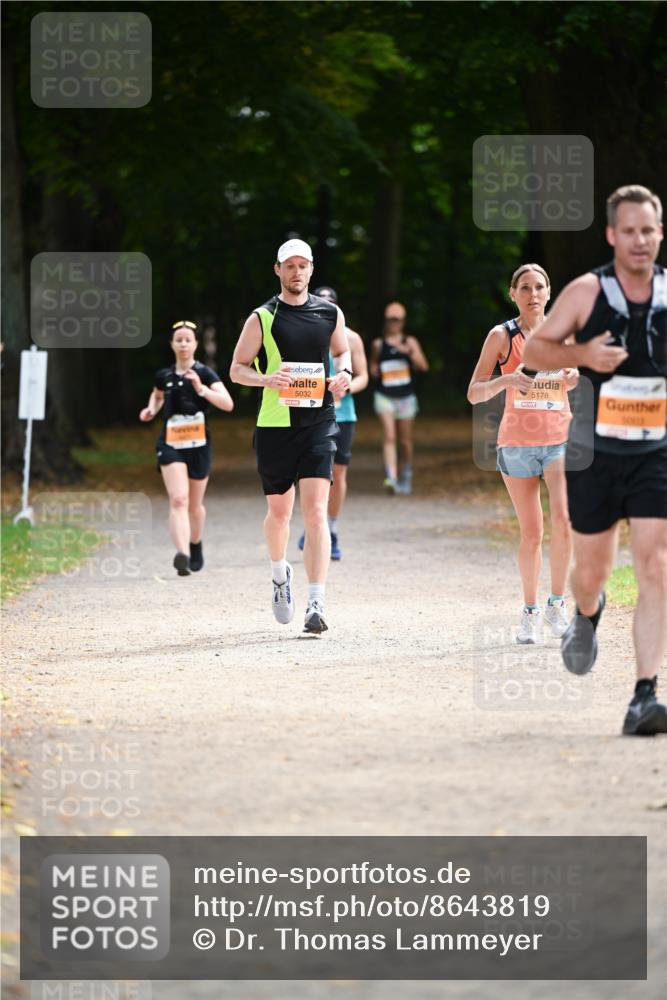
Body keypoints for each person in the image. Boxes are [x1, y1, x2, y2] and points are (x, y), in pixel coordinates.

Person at [522, 185, 667, 736]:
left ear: (660, 233)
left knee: (655, 564)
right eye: (628, 231)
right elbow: (536, 351)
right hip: (595, 453)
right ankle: (587, 612)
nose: (638, 240)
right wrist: (582, 355)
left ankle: (643, 696)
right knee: (592, 572)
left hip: (656, 450)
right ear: (612, 235)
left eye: (648, 230)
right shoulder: (588, 290)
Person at [230, 240, 353, 633]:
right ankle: (280, 576)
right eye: (290, 266)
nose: (297, 272)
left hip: (319, 421)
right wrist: (266, 378)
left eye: (303, 265)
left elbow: (343, 353)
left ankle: (317, 602)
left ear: (312, 269)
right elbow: (236, 369)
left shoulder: (330, 313)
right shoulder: (262, 317)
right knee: (280, 514)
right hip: (275, 425)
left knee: (315, 510)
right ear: (278, 270)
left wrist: (344, 376)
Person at [468, 264, 579, 643]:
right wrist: (508, 380)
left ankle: (557, 604)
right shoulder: (501, 336)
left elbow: (572, 374)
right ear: (513, 294)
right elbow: (474, 391)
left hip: (559, 439)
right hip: (516, 443)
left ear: (549, 293)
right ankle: (530, 610)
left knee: (564, 520)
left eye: (540, 287)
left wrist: (571, 378)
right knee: (532, 532)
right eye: (526, 288)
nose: (533, 294)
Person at [140, 320, 234, 576]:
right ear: (172, 344)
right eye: (178, 340)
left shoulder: (205, 373)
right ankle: (181, 553)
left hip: (199, 445)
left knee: (194, 505)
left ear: (195, 345)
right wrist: (151, 410)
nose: (183, 344)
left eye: (188, 340)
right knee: (179, 500)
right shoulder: (164, 375)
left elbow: (227, 404)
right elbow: (157, 395)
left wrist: (201, 389)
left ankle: (195, 543)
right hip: (171, 444)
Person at [297, 286, 369, 559]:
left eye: (331, 304)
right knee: (309, 473)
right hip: (309, 413)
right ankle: (314, 525)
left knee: (337, 476)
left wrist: (346, 386)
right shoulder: (304, 334)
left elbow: (363, 377)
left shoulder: (351, 338)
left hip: (343, 415)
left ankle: (332, 529)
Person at [370, 301, 429, 494]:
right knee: (389, 435)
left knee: (404, 440)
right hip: (384, 396)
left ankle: (406, 472)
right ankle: (391, 477)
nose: (394, 323)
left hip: (405, 397)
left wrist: (410, 353)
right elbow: (372, 367)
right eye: (390, 319)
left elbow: (423, 366)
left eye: (397, 319)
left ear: (403, 321)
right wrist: (375, 370)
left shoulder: (409, 342)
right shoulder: (378, 344)